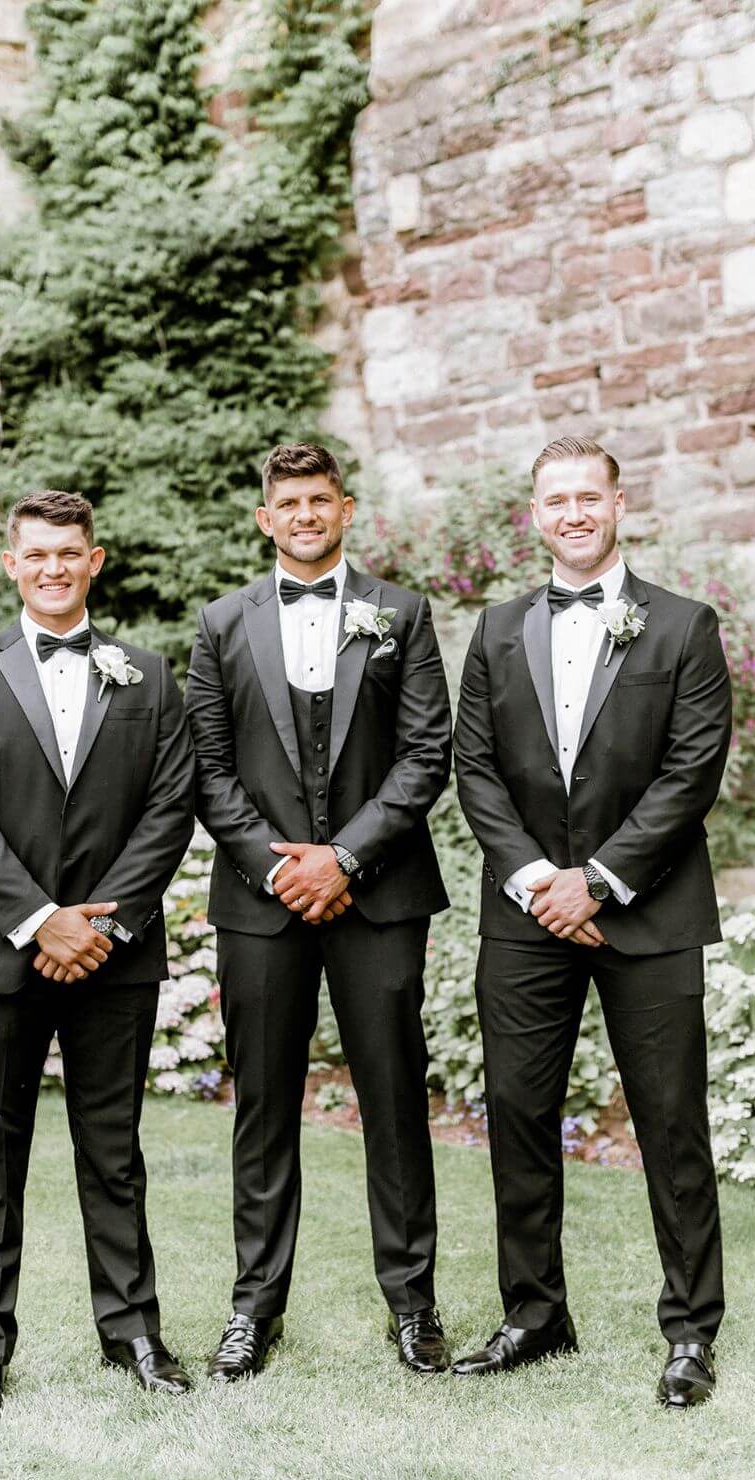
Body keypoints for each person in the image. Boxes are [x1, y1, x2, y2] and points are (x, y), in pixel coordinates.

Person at [452, 435, 732, 1409]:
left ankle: (690, 1331)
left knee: (668, 1122)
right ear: (535, 515)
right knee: (521, 1115)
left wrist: (601, 879)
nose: (572, 513)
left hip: (647, 913)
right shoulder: (494, 629)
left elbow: (690, 772)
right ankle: (534, 1314)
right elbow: (473, 767)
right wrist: (537, 879)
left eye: (587, 496)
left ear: (618, 505)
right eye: (554, 499)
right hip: (526, 916)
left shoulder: (684, 627)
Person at [0, 490, 197, 1422]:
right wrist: (42, 920)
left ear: (95, 560)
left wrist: (102, 927)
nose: (52, 568)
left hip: (114, 956)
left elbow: (169, 810)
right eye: (35, 554)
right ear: (11, 564)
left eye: (68, 553)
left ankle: (133, 1332)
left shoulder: (151, 677)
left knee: (112, 1151)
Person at [185, 442, 452, 1379]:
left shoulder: (403, 614)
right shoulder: (221, 624)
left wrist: (343, 858)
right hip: (262, 906)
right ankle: (255, 1308)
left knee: (394, 1099)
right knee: (263, 1107)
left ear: (346, 509)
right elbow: (207, 771)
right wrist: (277, 866)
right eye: (287, 503)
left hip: (379, 899)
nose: (304, 515)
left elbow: (427, 754)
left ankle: (413, 1306)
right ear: (266, 519)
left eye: (319, 500)